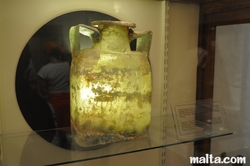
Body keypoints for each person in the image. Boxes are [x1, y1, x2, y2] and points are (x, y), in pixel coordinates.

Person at [37, 41, 70, 148]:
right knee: (70, 129)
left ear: (47, 54)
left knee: (56, 130)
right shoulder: (68, 66)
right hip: (69, 100)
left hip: (54, 102)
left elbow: (43, 90)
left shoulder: (44, 70)